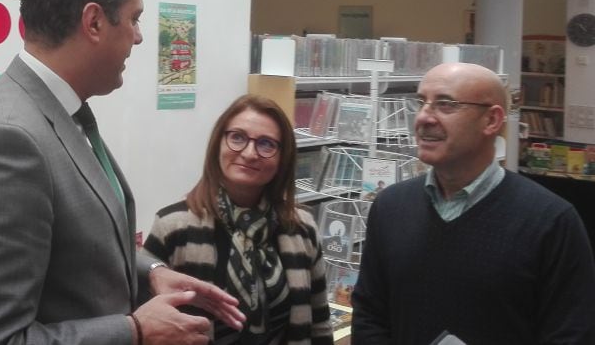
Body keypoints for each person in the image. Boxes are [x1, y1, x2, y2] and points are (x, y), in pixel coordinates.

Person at [0, 0, 245, 345]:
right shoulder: (7, 142)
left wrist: (152, 274)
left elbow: (75, 247)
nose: (138, 37)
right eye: (134, 19)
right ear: (94, 22)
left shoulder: (59, 111)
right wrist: (135, 330)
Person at [352, 62, 595, 344]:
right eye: (421, 102)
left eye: (445, 104)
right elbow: (369, 313)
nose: (423, 117)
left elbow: (571, 333)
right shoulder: (390, 207)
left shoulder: (552, 220)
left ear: (491, 120)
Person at [144, 94, 334, 345]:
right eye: (237, 137)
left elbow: (319, 323)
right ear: (218, 144)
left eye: (266, 144)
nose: (249, 153)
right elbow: (148, 324)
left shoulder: (302, 227)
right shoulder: (172, 226)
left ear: (282, 159)